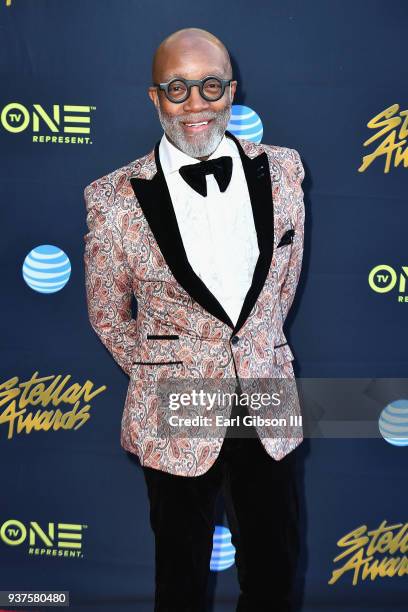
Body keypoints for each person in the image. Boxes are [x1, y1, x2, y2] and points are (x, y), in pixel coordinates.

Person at [84, 27, 305, 612]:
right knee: (179, 583)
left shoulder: (284, 171)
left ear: (231, 90)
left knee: (276, 572)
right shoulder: (112, 198)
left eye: (210, 85)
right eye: (177, 89)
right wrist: (165, 369)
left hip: (263, 392)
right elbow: (108, 314)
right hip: (176, 402)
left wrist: (254, 349)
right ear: (154, 97)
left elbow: (282, 285)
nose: (196, 104)